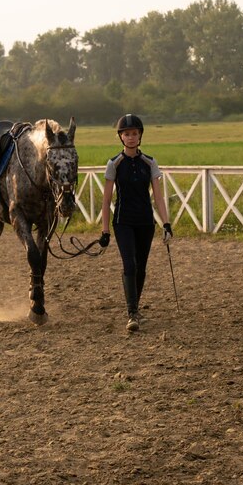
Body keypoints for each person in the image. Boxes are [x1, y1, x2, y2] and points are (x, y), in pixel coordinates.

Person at [99, 113, 173, 331]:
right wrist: (105, 231)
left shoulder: (149, 162)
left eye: (134, 133)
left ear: (140, 136)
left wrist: (166, 224)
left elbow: (158, 197)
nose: (131, 137)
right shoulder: (114, 163)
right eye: (127, 134)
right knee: (129, 265)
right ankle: (131, 313)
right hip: (123, 221)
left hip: (145, 222)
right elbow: (106, 200)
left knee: (141, 267)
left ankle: (136, 308)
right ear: (121, 137)